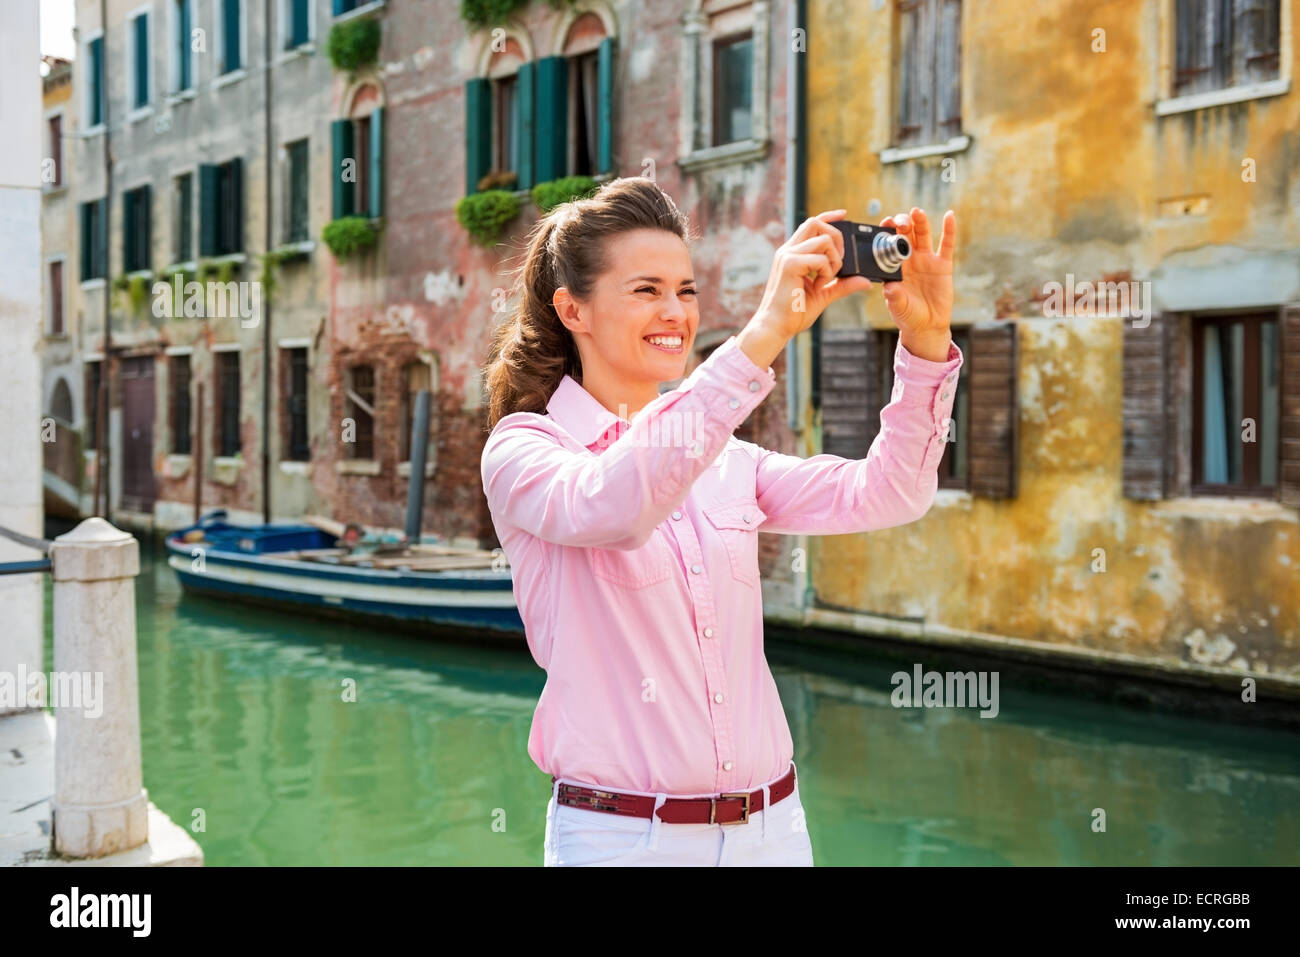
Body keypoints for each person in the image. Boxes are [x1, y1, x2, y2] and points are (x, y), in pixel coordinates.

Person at [480, 177, 962, 866]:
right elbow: (613, 505)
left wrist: (925, 342)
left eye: (685, 290)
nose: (675, 311)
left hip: (775, 832)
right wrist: (764, 333)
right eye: (645, 289)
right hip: (623, 843)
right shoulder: (524, 450)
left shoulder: (722, 456)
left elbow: (890, 492)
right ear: (573, 309)